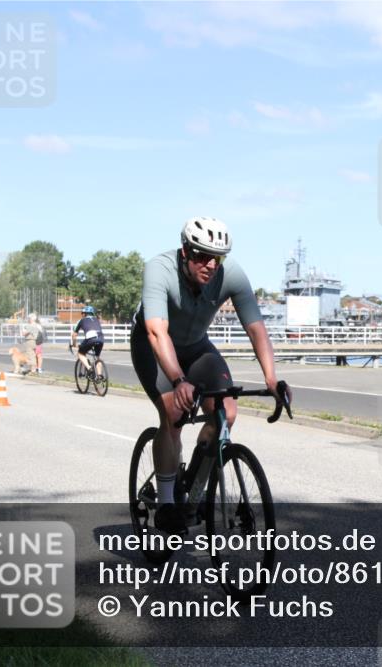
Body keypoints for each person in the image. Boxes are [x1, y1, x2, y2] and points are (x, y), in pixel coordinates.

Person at [131, 216, 289, 534]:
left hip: (196, 346)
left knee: (226, 414)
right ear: (185, 252)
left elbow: (256, 328)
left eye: (215, 257)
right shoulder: (159, 269)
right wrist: (178, 380)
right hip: (154, 346)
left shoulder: (231, 275)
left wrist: (272, 379)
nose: (209, 264)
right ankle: (166, 504)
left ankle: (193, 495)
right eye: (201, 255)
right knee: (174, 413)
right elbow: (156, 330)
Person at [70, 305, 104, 372]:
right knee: (97, 358)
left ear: (84, 314)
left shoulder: (81, 320)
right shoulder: (97, 320)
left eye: (82, 313)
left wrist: (74, 344)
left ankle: (89, 368)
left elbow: (74, 335)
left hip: (90, 339)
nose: (82, 315)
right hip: (101, 338)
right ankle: (99, 376)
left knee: (80, 353)